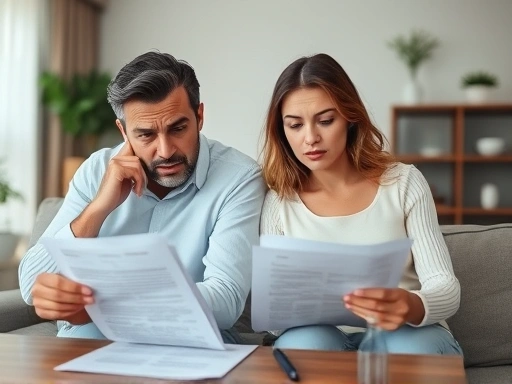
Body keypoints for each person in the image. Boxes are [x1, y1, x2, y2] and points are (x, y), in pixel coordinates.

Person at [19, 51, 266, 342]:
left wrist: (101, 304)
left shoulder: (239, 177)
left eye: (178, 128)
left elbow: (225, 301)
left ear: (199, 117)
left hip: (190, 337)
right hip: (93, 334)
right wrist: (100, 207)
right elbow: (30, 286)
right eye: (146, 134)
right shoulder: (96, 170)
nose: (165, 150)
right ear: (123, 131)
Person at [259, 53, 462, 355]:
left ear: (350, 118)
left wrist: (411, 304)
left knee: (401, 345)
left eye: (326, 121)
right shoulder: (280, 200)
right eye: (295, 125)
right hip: (322, 341)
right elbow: (273, 320)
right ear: (282, 131)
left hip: (406, 335)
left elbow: (445, 286)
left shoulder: (404, 183)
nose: (311, 138)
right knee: (306, 343)